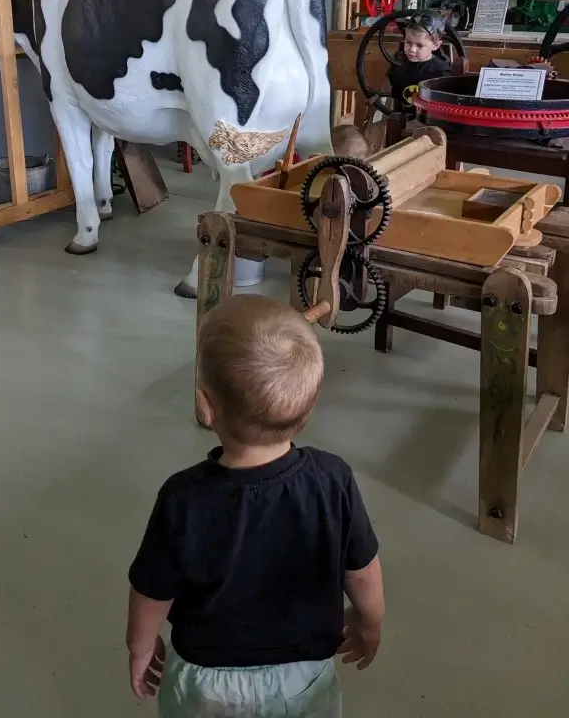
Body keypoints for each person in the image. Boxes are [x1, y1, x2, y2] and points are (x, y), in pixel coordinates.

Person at [126, 295, 384, 717]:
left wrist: (140, 646)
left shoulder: (183, 497)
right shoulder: (333, 478)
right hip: (305, 676)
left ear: (205, 406)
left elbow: (152, 590)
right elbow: (362, 568)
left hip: (207, 680)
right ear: (308, 407)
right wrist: (369, 622)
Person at [387, 14, 451, 112]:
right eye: (408, 42)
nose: (412, 49)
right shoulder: (398, 69)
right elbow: (394, 99)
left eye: (420, 45)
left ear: (435, 45)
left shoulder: (441, 73)